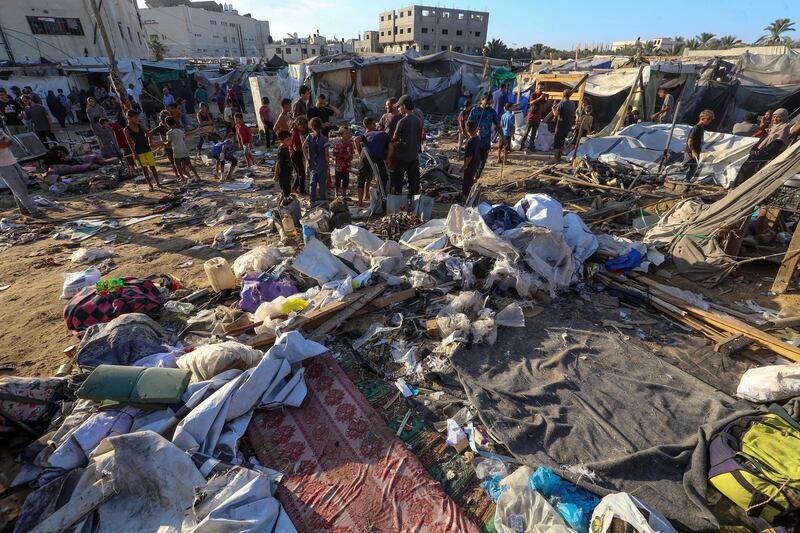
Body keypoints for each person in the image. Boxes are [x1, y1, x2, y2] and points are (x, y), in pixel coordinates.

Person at [734, 108, 792, 186]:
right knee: (744, 167)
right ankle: (735, 186)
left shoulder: (785, 127)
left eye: (778, 117)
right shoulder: (771, 126)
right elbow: (763, 138)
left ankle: (741, 188)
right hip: (757, 151)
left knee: (750, 170)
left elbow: (778, 143)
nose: (775, 118)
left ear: (784, 117)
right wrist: (754, 149)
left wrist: (762, 153)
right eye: (774, 116)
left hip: (766, 154)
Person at [0, 128, 43, 218]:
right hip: (3, 166)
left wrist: (5, 141)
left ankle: (24, 209)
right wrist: (5, 141)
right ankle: (33, 210)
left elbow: (10, 141)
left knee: (20, 187)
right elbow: (4, 143)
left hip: (12, 161)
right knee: (19, 189)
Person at [390, 95, 422, 198]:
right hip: (414, 154)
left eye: (399, 107)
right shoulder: (418, 120)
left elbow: (395, 138)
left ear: (404, 106)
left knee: (398, 179)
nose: (398, 109)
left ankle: (397, 198)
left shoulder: (402, 121)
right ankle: (412, 201)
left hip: (402, 155)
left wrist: (395, 143)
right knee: (413, 180)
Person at [354, 116, 390, 206]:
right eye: (374, 124)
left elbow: (356, 140)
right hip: (378, 156)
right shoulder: (383, 134)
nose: (376, 126)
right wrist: (388, 159)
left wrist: (360, 154)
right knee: (383, 176)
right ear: (369, 125)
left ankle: (360, 202)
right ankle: (383, 198)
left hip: (366, 156)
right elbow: (391, 147)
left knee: (361, 178)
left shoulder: (366, 134)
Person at [123, 109, 160, 190]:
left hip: (147, 148)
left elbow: (148, 132)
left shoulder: (139, 125)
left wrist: (149, 141)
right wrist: (134, 153)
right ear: (129, 118)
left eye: (136, 117)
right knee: (145, 169)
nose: (136, 119)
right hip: (138, 151)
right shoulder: (126, 129)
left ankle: (158, 183)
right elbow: (129, 142)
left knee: (152, 167)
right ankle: (150, 185)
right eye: (135, 117)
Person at [467, 93, 503, 176]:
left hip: (486, 141)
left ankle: (477, 177)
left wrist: (503, 137)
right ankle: (471, 177)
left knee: (482, 162)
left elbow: (498, 125)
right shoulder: (474, 111)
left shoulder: (492, 112)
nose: (489, 103)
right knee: (474, 161)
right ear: (481, 100)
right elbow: (468, 124)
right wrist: (471, 134)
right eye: (487, 101)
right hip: (475, 141)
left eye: (490, 101)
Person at [303, 117, 330, 205]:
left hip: (312, 164)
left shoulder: (309, 136)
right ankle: (322, 201)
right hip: (322, 164)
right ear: (321, 126)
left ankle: (312, 201)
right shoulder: (324, 139)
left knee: (312, 183)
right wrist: (328, 164)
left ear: (311, 127)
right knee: (322, 183)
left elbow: (303, 147)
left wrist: (307, 159)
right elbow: (326, 154)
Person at [166, 116, 200, 182]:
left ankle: (182, 177)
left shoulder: (169, 133)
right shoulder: (180, 131)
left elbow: (169, 143)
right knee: (190, 165)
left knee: (178, 165)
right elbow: (183, 139)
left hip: (176, 151)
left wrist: (163, 145)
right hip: (184, 149)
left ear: (167, 124)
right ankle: (197, 175)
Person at [684, 110, 715, 181]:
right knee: (684, 167)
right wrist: (693, 151)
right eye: (709, 119)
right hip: (690, 152)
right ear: (702, 119)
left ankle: (686, 181)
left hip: (696, 152)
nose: (710, 121)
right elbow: (690, 141)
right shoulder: (696, 128)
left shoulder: (701, 128)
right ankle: (667, 173)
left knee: (693, 169)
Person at [150, 110, 180, 178]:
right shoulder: (160, 127)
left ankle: (181, 174)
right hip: (168, 147)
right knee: (173, 162)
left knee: (179, 161)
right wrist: (150, 143)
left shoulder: (173, 124)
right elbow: (150, 133)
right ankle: (178, 175)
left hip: (175, 145)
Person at [551, 89, 576, 164]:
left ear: (563, 95)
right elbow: (573, 114)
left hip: (560, 126)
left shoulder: (562, 103)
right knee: (561, 143)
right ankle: (559, 158)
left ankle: (556, 159)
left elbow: (556, 114)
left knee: (557, 143)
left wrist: (553, 109)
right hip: (567, 126)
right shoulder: (572, 103)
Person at [460, 120, 481, 200]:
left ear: (466, 129)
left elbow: (469, 157)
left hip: (470, 165)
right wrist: (478, 131)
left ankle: (466, 197)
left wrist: (464, 166)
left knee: (466, 182)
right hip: (476, 163)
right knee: (471, 180)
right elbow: (478, 134)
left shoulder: (470, 142)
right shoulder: (477, 138)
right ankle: (470, 194)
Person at [332, 126, 355, 198]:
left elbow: (352, 153)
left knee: (346, 180)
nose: (348, 134)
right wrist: (343, 156)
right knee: (338, 180)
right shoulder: (338, 143)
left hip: (347, 165)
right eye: (346, 133)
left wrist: (350, 157)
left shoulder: (350, 144)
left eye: (348, 133)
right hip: (339, 166)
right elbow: (334, 153)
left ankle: (344, 193)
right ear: (341, 134)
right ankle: (336, 193)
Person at [289, 116, 308, 194]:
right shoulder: (295, 134)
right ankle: (302, 190)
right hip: (295, 154)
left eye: (305, 125)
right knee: (301, 173)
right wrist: (304, 147)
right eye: (302, 125)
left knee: (299, 173)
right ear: (297, 125)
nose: (304, 127)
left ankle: (294, 188)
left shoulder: (294, 131)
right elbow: (296, 147)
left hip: (294, 154)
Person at [274, 130, 293, 199]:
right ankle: (280, 206)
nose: (290, 141)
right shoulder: (281, 150)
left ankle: (284, 205)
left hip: (287, 172)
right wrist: (276, 175)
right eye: (288, 140)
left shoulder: (286, 147)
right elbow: (278, 163)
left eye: (290, 139)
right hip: (283, 174)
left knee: (288, 191)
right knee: (285, 191)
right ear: (282, 141)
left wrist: (290, 174)